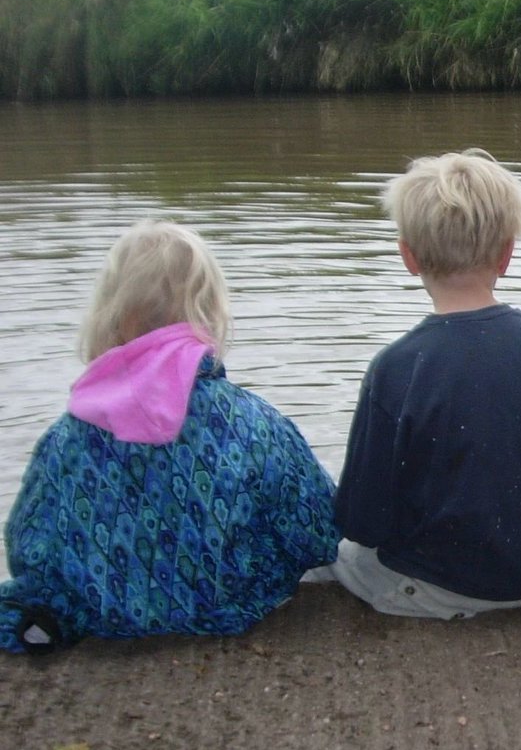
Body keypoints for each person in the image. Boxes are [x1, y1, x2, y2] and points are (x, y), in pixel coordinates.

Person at [0, 221, 339, 654]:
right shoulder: (255, 423)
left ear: (110, 314)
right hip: (229, 608)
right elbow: (317, 532)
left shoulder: (66, 435)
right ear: (211, 311)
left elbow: (29, 547)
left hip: (100, 614)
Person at [329, 148, 521, 619]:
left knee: (340, 555)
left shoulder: (395, 368)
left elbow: (362, 520)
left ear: (408, 256)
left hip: (440, 589)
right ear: (507, 253)